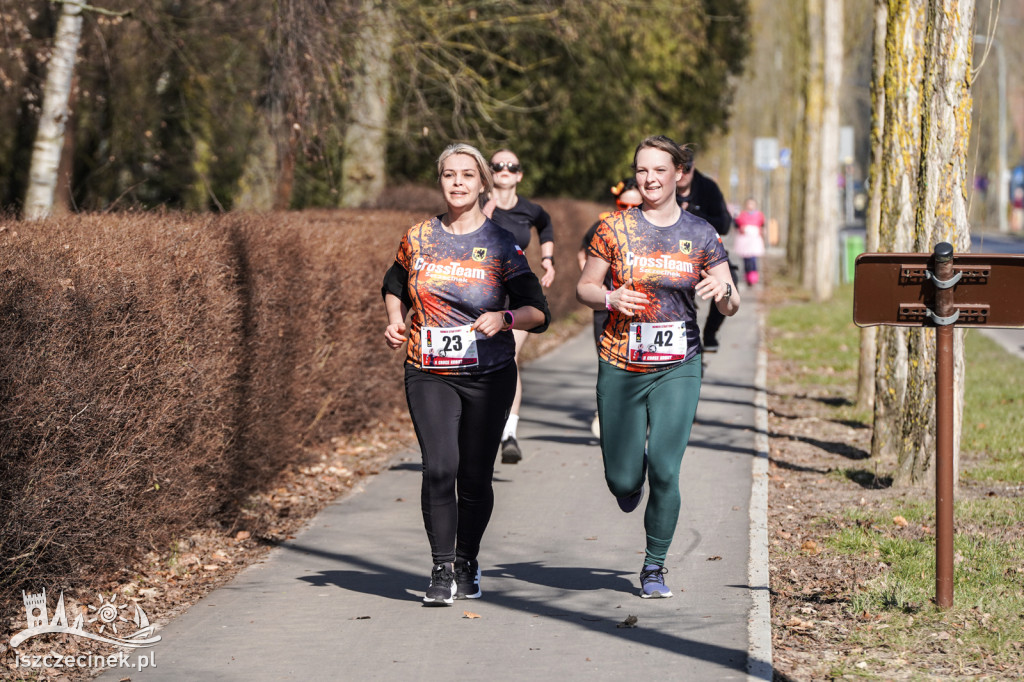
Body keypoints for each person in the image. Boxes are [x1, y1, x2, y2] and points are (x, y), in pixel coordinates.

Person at [382, 143, 550, 606]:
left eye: (466, 175)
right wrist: (395, 318)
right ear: (441, 182)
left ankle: (466, 560)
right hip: (428, 369)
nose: (457, 182)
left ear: (482, 183)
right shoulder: (417, 237)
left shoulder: (502, 244)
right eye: (448, 175)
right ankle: (440, 570)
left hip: (489, 374)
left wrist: (506, 319)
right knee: (439, 467)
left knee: (474, 477)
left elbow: (539, 310)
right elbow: (394, 284)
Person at [576, 135, 739, 598]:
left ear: (678, 174)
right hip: (620, 363)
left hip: (679, 364)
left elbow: (731, 301)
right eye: (641, 170)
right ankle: (630, 471)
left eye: (659, 170)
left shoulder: (702, 234)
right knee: (622, 480)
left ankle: (654, 566)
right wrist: (609, 296)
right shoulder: (613, 228)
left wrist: (723, 294)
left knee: (666, 469)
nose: (649, 179)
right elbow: (584, 288)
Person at [482, 148, 556, 464]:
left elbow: (547, 223)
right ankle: (481, 427)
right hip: (482, 293)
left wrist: (548, 260)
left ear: (519, 175)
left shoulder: (529, 209)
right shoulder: (475, 202)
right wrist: (484, 212)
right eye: (498, 165)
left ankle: (509, 434)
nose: (504, 170)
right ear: (490, 171)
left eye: (511, 167)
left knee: (508, 356)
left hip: (517, 294)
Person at [577, 178, 644, 439]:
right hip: (606, 307)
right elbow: (583, 251)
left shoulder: (653, 232)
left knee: (638, 363)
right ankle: (604, 411)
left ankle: (635, 416)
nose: (628, 210)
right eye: (622, 204)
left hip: (641, 311)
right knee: (608, 361)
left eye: (634, 205)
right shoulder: (604, 228)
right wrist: (591, 282)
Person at [675, 154, 735, 352]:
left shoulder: (708, 188)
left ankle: (710, 332)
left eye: (687, 168)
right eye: (678, 168)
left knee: (729, 282)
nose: (682, 174)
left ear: (694, 168)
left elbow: (725, 224)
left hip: (704, 253)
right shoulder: (664, 187)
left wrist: (696, 214)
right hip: (670, 253)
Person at [733, 197, 766, 286]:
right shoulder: (741, 215)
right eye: (748, 204)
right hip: (744, 240)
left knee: (753, 259)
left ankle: (753, 277)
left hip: (754, 240)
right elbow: (736, 225)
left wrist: (762, 232)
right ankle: (747, 276)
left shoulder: (759, 215)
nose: (750, 206)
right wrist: (741, 228)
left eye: (752, 204)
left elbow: (762, 225)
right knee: (746, 260)